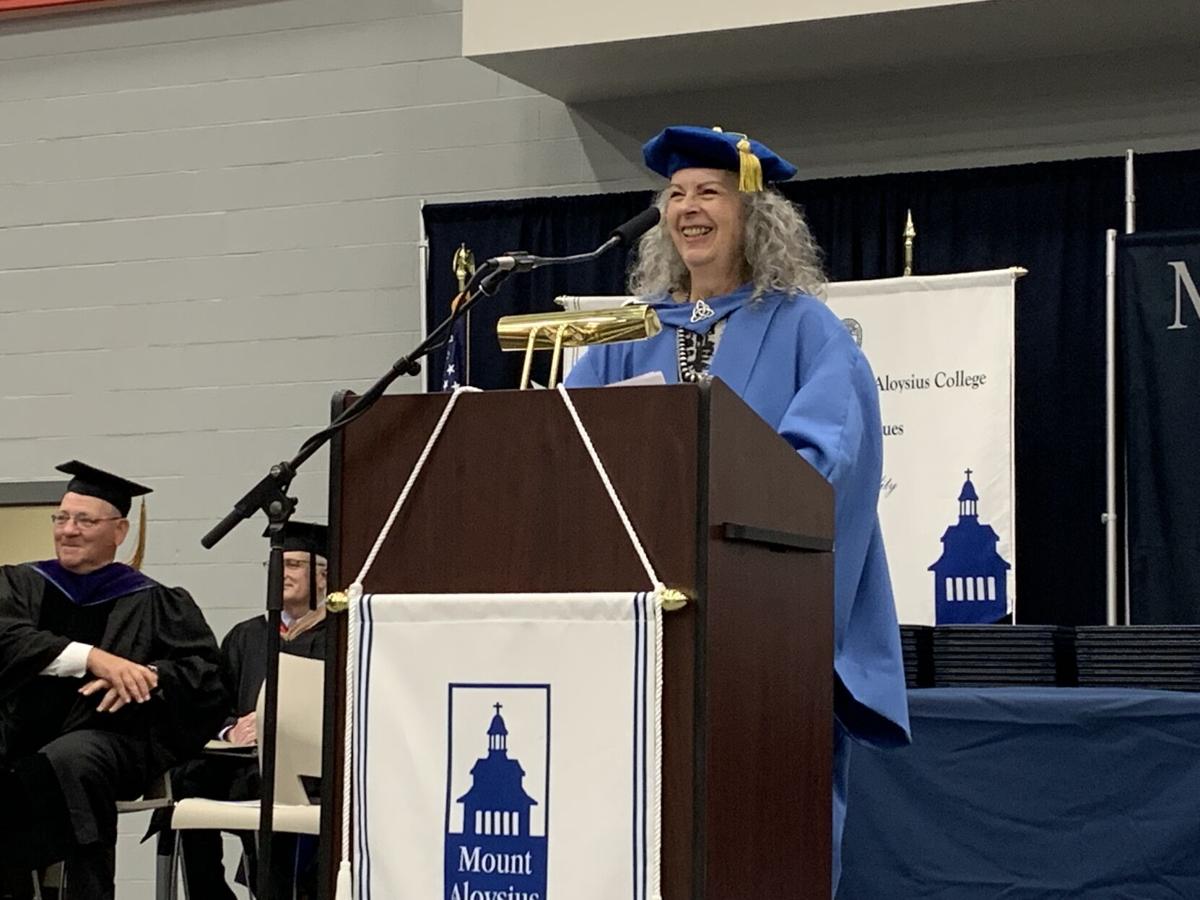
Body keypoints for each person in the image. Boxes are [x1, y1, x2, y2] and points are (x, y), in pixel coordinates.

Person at [564, 125, 912, 889]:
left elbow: (824, 460)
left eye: (709, 193)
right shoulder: (629, 332)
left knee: (760, 830)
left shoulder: (807, 330)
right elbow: (568, 446)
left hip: (759, 630)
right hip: (645, 629)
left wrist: (712, 504)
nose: (688, 208)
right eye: (676, 195)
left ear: (755, 216)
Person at [0, 460, 224, 900]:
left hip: (107, 738)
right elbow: (7, 638)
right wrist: (96, 660)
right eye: (61, 517)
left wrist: (148, 676)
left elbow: (207, 677)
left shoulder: (156, 601)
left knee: (74, 759)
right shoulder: (20, 584)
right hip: (17, 730)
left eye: (84, 520)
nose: (68, 530)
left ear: (119, 532)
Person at [161, 521, 328, 900]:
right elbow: (212, 703)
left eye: (295, 565)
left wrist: (279, 725)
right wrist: (230, 730)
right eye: (276, 564)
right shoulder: (247, 635)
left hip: (306, 774)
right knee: (189, 779)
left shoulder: (339, 635)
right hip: (242, 763)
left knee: (273, 793)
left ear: (324, 576)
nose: (282, 573)